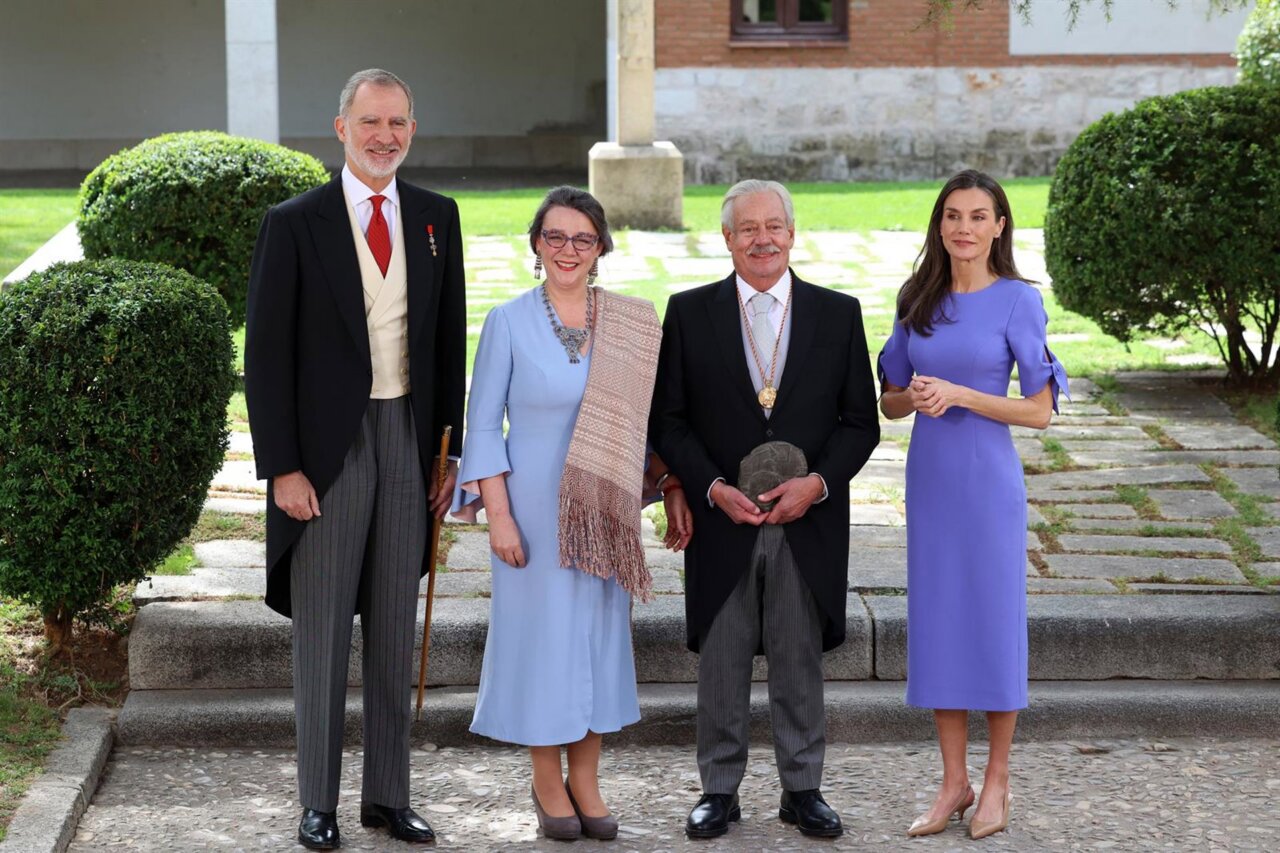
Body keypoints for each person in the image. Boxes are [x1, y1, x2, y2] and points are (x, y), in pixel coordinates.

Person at [245, 68, 465, 850]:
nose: (385, 136)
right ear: (341, 128)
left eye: (398, 122)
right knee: (324, 631)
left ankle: (387, 797)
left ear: (412, 128)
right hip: (325, 453)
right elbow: (266, 356)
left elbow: (446, 344)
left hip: (408, 436)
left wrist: (450, 453)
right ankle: (318, 802)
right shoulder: (295, 222)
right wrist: (283, 468)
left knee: (394, 628)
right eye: (370, 122)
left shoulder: (438, 218)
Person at [451, 186, 685, 842]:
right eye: (555, 236)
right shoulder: (508, 321)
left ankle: (586, 776)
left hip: (604, 508)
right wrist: (497, 515)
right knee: (542, 642)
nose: (568, 250)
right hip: (530, 511)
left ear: (601, 248)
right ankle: (546, 778)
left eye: (583, 238)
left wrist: (666, 485)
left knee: (597, 640)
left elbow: (651, 421)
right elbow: (483, 425)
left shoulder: (632, 325)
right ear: (535, 244)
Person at [650, 179, 880, 840]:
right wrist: (710, 486)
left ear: (792, 233)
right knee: (721, 655)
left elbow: (860, 423)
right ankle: (719, 789)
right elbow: (669, 421)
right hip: (723, 519)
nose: (762, 238)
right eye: (747, 228)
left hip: (804, 519)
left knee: (798, 651)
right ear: (726, 238)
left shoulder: (838, 313)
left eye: (774, 225)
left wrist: (818, 485)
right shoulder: (690, 313)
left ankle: (802, 787)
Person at [878, 169, 1068, 841]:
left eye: (977, 215)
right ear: (940, 226)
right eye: (952, 215)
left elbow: (1040, 412)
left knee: (991, 623)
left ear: (999, 225)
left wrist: (960, 395)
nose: (963, 226)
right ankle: (953, 779)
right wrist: (917, 396)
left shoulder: (1019, 301)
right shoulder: (918, 298)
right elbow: (891, 398)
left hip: (988, 484)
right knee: (939, 624)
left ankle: (997, 779)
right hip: (931, 481)